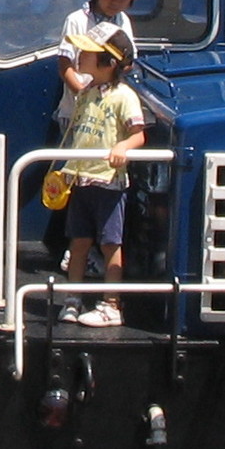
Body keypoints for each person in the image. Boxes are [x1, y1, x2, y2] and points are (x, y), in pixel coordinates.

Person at [55, 26, 147, 327]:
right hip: (81, 179)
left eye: (88, 53)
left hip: (108, 182)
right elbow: (77, 134)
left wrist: (123, 146)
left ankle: (111, 304)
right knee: (78, 242)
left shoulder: (124, 97)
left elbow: (138, 136)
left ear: (108, 63)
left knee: (110, 244)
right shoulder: (86, 94)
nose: (80, 57)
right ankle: (73, 298)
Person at [56, 0, 140, 126]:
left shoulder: (123, 21)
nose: (115, 1)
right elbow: (65, 65)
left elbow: (129, 61)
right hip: (75, 112)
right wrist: (84, 95)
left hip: (108, 113)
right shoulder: (76, 20)